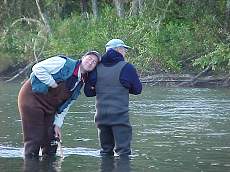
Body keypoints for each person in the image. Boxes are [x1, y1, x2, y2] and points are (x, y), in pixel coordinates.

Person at [18, 51, 101, 159]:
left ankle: (48, 165)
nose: (90, 62)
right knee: (35, 138)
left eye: (94, 62)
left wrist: (57, 124)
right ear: (83, 58)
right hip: (32, 98)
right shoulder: (62, 62)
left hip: (50, 106)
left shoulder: (81, 81)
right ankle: (30, 161)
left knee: (51, 139)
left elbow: (66, 105)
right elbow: (37, 68)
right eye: (89, 58)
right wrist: (52, 83)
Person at [84, 39, 142, 157]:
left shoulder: (96, 68)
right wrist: (123, 88)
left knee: (105, 152)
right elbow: (137, 90)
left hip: (101, 118)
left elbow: (88, 92)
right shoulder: (127, 67)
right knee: (123, 154)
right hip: (119, 118)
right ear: (119, 50)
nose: (125, 52)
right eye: (124, 49)